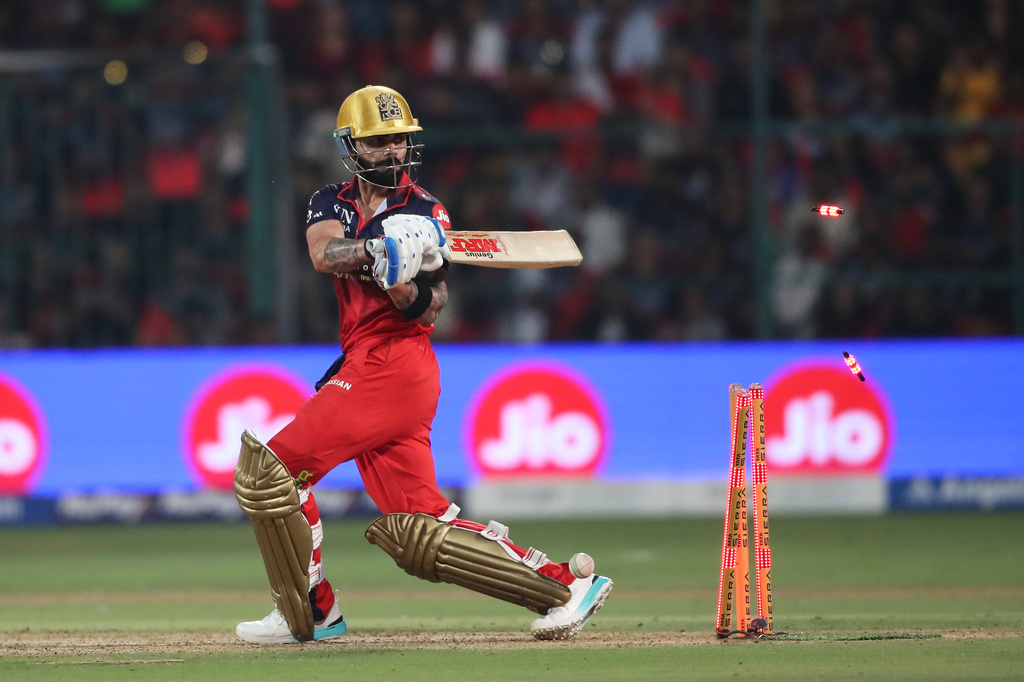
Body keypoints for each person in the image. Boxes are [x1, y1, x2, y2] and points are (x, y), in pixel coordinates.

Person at [233, 85, 613, 644]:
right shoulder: (329, 201)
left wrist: (406, 276)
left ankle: (314, 611)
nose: (392, 151)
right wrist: (378, 251)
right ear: (352, 147)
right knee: (422, 530)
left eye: (400, 140)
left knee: (272, 473)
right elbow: (324, 254)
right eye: (379, 142)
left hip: (395, 363)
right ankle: (564, 587)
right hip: (371, 363)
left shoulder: (426, 211)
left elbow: (431, 305)